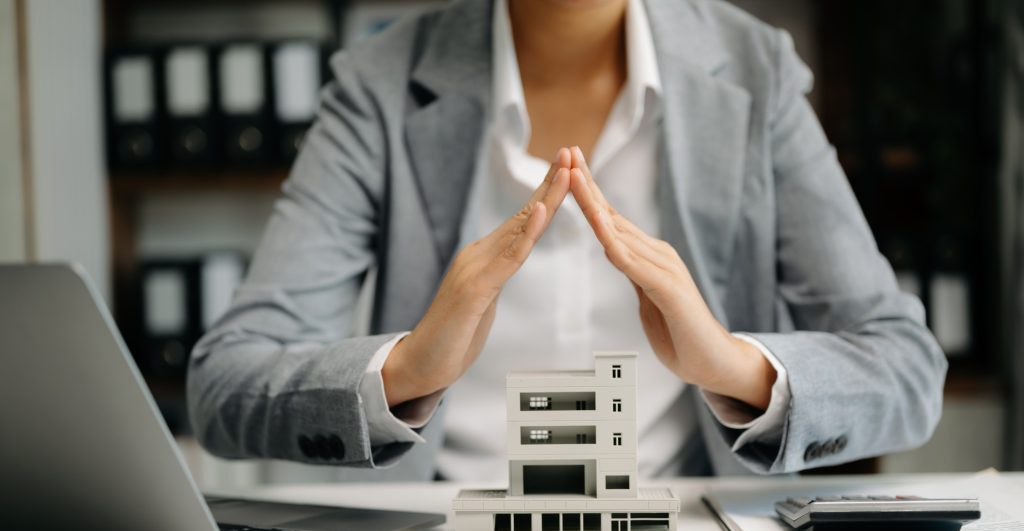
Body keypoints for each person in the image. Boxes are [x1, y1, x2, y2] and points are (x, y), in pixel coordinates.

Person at [187, 0, 947, 480]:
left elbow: (906, 370)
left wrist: (729, 362)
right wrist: (409, 367)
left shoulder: (755, 70)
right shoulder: (379, 83)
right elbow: (223, 386)